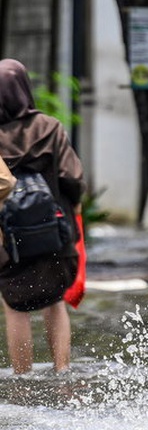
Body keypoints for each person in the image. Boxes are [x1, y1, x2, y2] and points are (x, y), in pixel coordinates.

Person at [0, 58, 85, 374]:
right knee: (54, 300)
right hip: (54, 226)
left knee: (14, 306)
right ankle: (61, 370)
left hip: (7, 235)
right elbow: (72, 176)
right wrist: (74, 212)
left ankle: (22, 376)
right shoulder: (48, 127)